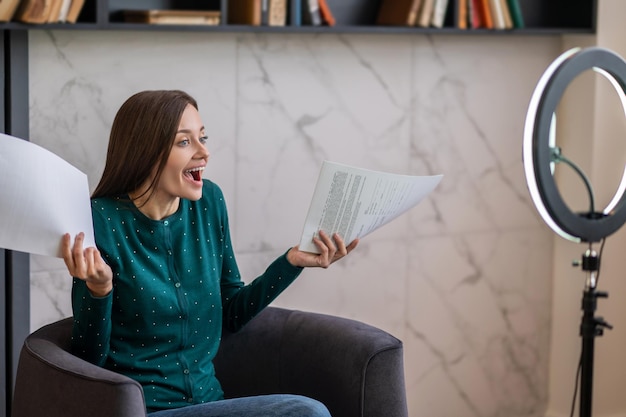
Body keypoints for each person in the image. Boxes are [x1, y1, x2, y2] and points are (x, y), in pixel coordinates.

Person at [61, 90, 359, 417]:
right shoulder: (100, 221)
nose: (204, 152)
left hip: (212, 403)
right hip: (146, 410)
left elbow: (231, 313)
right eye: (184, 142)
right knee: (305, 412)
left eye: (202, 137)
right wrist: (99, 290)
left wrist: (291, 263)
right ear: (145, 151)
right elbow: (87, 361)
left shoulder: (209, 203)